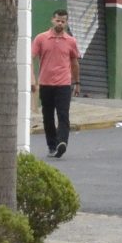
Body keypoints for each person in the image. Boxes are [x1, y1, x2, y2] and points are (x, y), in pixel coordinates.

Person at [31, 9, 81, 159]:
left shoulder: (71, 41)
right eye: (58, 20)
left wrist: (77, 82)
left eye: (63, 21)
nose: (60, 23)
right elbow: (31, 57)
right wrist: (32, 79)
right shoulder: (41, 38)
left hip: (64, 84)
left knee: (63, 114)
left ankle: (62, 143)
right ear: (52, 20)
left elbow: (74, 63)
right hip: (46, 83)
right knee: (48, 116)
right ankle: (52, 145)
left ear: (66, 23)